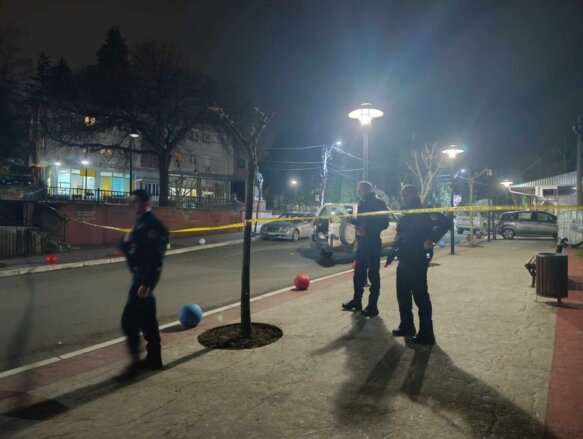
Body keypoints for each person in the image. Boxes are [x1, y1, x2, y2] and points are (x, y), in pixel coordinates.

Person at [388, 185, 450, 345]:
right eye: (403, 195)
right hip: (405, 258)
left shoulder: (426, 209)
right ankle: (407, 326)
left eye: (407, 194)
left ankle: (427, 334)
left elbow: (446, 222)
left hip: (418, 258)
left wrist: (432, 239)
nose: (405, 198)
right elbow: (402, 232)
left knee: (420, 296)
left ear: (415, 194)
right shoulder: (407, 212)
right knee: (403, 294)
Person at [118, 189, 169, 374]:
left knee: (128, 322)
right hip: (139, 277)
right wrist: (125, 242)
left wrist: (146, 285)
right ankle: (154, 359)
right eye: (131, 202)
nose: (131, 205)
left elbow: (156, 259)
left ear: (146, 203)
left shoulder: (153, 225)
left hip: (143, 280)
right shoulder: (140, 223)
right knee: (148, 321)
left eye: (135, 202)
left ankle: (136, 363)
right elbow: (130, 249)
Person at [342, 181, 389, 317]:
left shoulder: (379, 203)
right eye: (358, 190)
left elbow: (384, 223)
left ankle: (373, 306)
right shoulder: (362, 204)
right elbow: (362, 222)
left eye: (360, 190)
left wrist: (367, 231)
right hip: (362, 244)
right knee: (358, 274)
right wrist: (352, 221)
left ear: (367, 190)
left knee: (373, 276)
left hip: (373, 243)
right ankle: (357, 301)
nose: (358, 192)